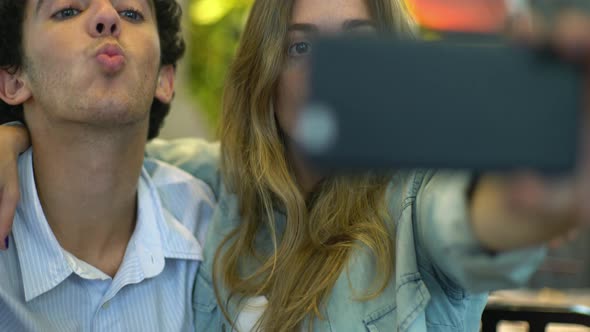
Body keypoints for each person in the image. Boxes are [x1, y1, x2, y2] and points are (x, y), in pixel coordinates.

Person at [2, 0, 590, 331]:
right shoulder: (214, 186)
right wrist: (10, 140)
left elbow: (467, 221)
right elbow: (100, 156)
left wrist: (520, 204)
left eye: (357, 47)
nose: (330, 76)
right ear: (267, 76)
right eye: (301, 47)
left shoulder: (416, 193)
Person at [0, 1, 215, 331]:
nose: (107, 17)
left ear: (164, 79)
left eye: (131, 13)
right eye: (68, 10)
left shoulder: (211, 224)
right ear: (13, 81)